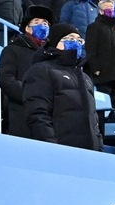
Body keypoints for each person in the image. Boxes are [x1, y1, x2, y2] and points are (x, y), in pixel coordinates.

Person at [22, 22, 101, 150]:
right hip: (59, 152)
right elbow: (38, 115)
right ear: (55, 42)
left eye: (79, 40)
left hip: (89, 153)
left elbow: (94, 120)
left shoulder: (85, 78)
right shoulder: (40, 71)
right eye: (69, 38)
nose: (75, 42)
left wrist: (99, 148)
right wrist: (53, 149)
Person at [0, 4, 52, 137]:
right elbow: (6, 79)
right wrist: (31, 95)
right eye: (36, 22)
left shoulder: (51, 54)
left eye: (45, 23)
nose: (42, 25)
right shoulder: (12, 49)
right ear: (27, 28)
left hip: (48, 118)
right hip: (21, 115)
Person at [85, 0, 115, 115]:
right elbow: (91, 48)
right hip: (103, 71)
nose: (110, 10)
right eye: (107, 8)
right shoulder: (94, 27)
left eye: (112, 8)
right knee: (103, 99)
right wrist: (95, 67)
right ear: (100, 11)